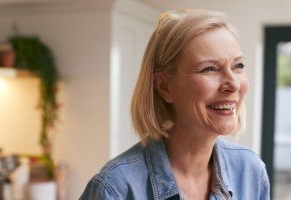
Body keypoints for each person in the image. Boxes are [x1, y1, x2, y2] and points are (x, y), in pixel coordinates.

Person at [80, 9, 270, 200]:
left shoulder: (251, 173)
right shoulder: (115, 189)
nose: (234, 84)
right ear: (165, 87)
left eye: (238, 66)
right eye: (210, 69)